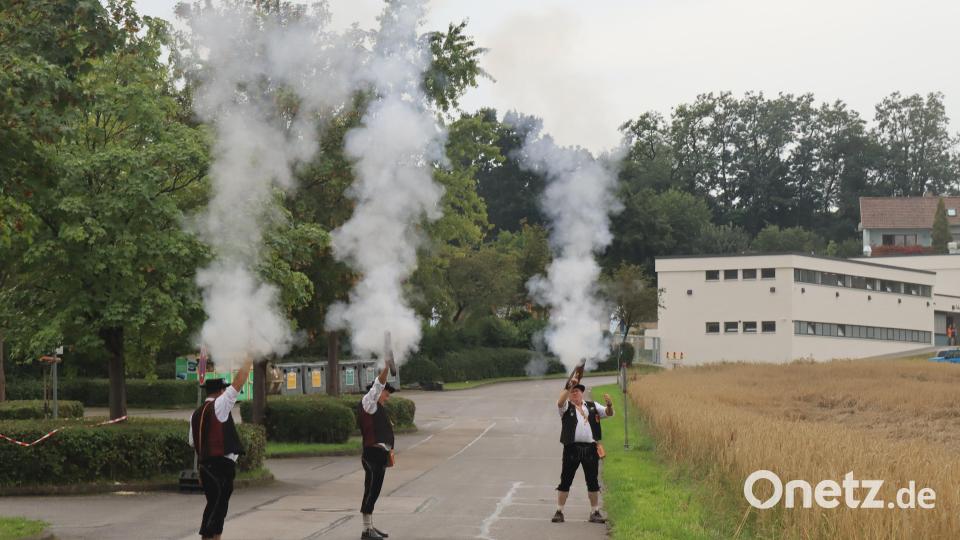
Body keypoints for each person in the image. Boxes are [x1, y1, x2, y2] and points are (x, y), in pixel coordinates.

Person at [188, 356, 253, 540]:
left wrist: (200, 469)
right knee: (216, 511)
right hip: (220, 468)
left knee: (216, 510)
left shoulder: (195, 414)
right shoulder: (220, 404)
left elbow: (195, 443)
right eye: (224, 389)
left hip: (207, 468)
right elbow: (239, 382)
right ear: (221, 391)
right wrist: (249, 357)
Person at [552, 375, 614, 524]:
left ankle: (595, 512)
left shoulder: (592, 406)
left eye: (577, 391)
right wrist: (568, 386)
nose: (575, 393)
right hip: (571, 448)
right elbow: (560, 402)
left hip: (590, 449)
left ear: (582, 393)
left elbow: (608, 413)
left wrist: (610, 405)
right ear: (569, 394)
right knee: (565, 480)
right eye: (572, 391)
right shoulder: (566, 407)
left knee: (592, 481)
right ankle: (559, 511)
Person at [358, 365, 397, 540]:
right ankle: (367, 530)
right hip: (372, 455)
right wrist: (387, 367)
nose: (387, 398)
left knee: (373, 492)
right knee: (371, 492)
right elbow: (378, 384)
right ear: (378, 392)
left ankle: (369, 527)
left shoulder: (376, 407)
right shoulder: (369, 402)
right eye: (386, 394)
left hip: (378, 455)